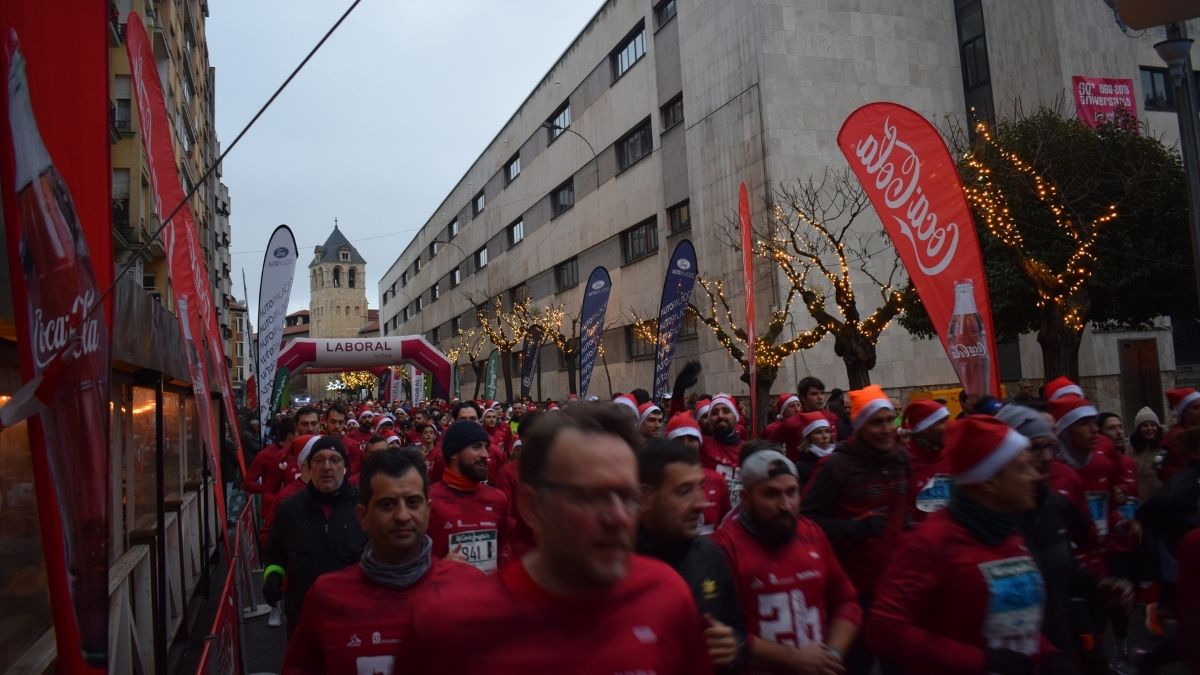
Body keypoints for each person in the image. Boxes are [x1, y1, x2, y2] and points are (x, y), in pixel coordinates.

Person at [398, 402, 714, 674]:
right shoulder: (446, 626)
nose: (618, 517)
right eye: (590, 496)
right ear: (532, 507)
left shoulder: (667, 596)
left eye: (627, 496)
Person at [867, 415, 1055, 674]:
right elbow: (884, 628)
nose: (1034, 476)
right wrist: (980, 662)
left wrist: (1047, 654)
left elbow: (1010, 619)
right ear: (990, 481)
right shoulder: (930, 543)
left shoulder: (1008, 532)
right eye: (1022, 468)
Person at [282, 449, 484, 674]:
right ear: (362, 516)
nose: (403, 515)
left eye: (413, 502)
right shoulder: (326, 596)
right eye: (387, 504)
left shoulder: (469, 587)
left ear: (428, 509)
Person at [998, 404, 1133, 673]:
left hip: (1060, 642)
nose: (1048, 457)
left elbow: (1065, 566)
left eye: (1050, 446)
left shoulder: (1054, 506)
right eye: (1036, 448)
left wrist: (1097, 586)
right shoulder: (989, 519)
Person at [714, 446, 860, 674]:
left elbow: (846, 602)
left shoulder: (813, 534)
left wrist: (832, 655)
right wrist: (793, 659)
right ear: (746, 498)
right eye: (771, 494)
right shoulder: (724, 547)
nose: (785, 505)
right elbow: (721, 632)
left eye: (791, 492)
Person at [800, 384, 909, 675]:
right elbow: (806, 524)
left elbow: (905, 512)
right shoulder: (835, 467)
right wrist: (854, 528)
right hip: (851, 593)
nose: (887, 429)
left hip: (895, 588)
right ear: (859, 426)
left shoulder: (901, 459)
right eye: (877, 422)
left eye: (890, 420)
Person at [636, 438, 747, 672]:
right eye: (684, 491)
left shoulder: (710, 556)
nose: (701, 503)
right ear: (646, 497)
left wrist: (732, 644)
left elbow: (737, 627)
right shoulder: (615, 565)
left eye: (700, 487)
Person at [263, 436, 366, 635]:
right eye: (319, 460)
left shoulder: (364, 507)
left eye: (334, 460)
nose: (327, 467)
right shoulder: (290, 509)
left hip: (354, 620)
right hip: (304, 621)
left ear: (345, 466)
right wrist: (273, 575)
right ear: (309, 467)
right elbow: (275, 555)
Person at [427, 420, 509, 573]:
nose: (485, 455)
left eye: (486, 447)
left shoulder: (498, 500)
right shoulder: (428, 501)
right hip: (443, 594)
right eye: (476, 447)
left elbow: (504, 550)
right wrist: (438, 567)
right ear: (453, 453)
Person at [666, 412, 731, 535]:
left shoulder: (716, 480)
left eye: (691, 439)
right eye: (679, 439)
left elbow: (726, 523)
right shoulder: (660, 481)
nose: (685, 444)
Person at [902, 399, 952, 521]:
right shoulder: (903, 462)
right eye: (942, 422)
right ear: (924, 428)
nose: (949, 427)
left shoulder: (951, 455)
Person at [701, 394, 745, 509]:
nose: (720, 416)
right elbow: (679, 433)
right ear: (709, 420)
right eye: (714, 413)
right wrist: (678, 393)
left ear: (735, 416)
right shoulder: (703, 445)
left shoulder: (748, 451)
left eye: (726, 411)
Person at [1157, 387, 1200, 481]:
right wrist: (1187, 476)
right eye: (1195, 408)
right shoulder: (1171, 438)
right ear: (1183, 412)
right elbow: (1159, 466)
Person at [1130, 406, 1164, 499]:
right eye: (1144, 425)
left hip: (1162, 499)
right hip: (1141, 501)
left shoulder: (1164, 448)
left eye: (1152, 425)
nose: (1149, 428)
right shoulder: (1132, 450)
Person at [323, 403, 364, 476]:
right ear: (326, 421)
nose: (337, 426)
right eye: (333, 422)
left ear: (344, 423)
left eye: (340, 422)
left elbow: (353, 473)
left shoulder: (352, 445)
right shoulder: (318, 443)